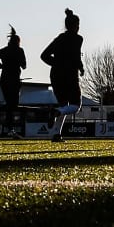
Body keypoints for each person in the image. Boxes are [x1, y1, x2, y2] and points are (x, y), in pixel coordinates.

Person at [40, 9, 84, 142]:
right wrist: (80, 67)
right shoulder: (78, 39)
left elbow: (44, 55)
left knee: (63, 106)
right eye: (78, 25)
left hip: (55, 75)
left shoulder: (59, 39)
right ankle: (56, 113)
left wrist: (56, 64)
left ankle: (55, 134)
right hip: (69, 75)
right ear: (75, 25)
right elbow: (76, 57)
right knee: (76, 106)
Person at [0, 25, 27, 137]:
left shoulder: (4, 50)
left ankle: (9, 127)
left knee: (9, 104)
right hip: (15, 79)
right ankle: (10, 128)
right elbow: (24, 66)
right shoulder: (20, 50)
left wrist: (0, 66)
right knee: (13, 104)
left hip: (5, 79)